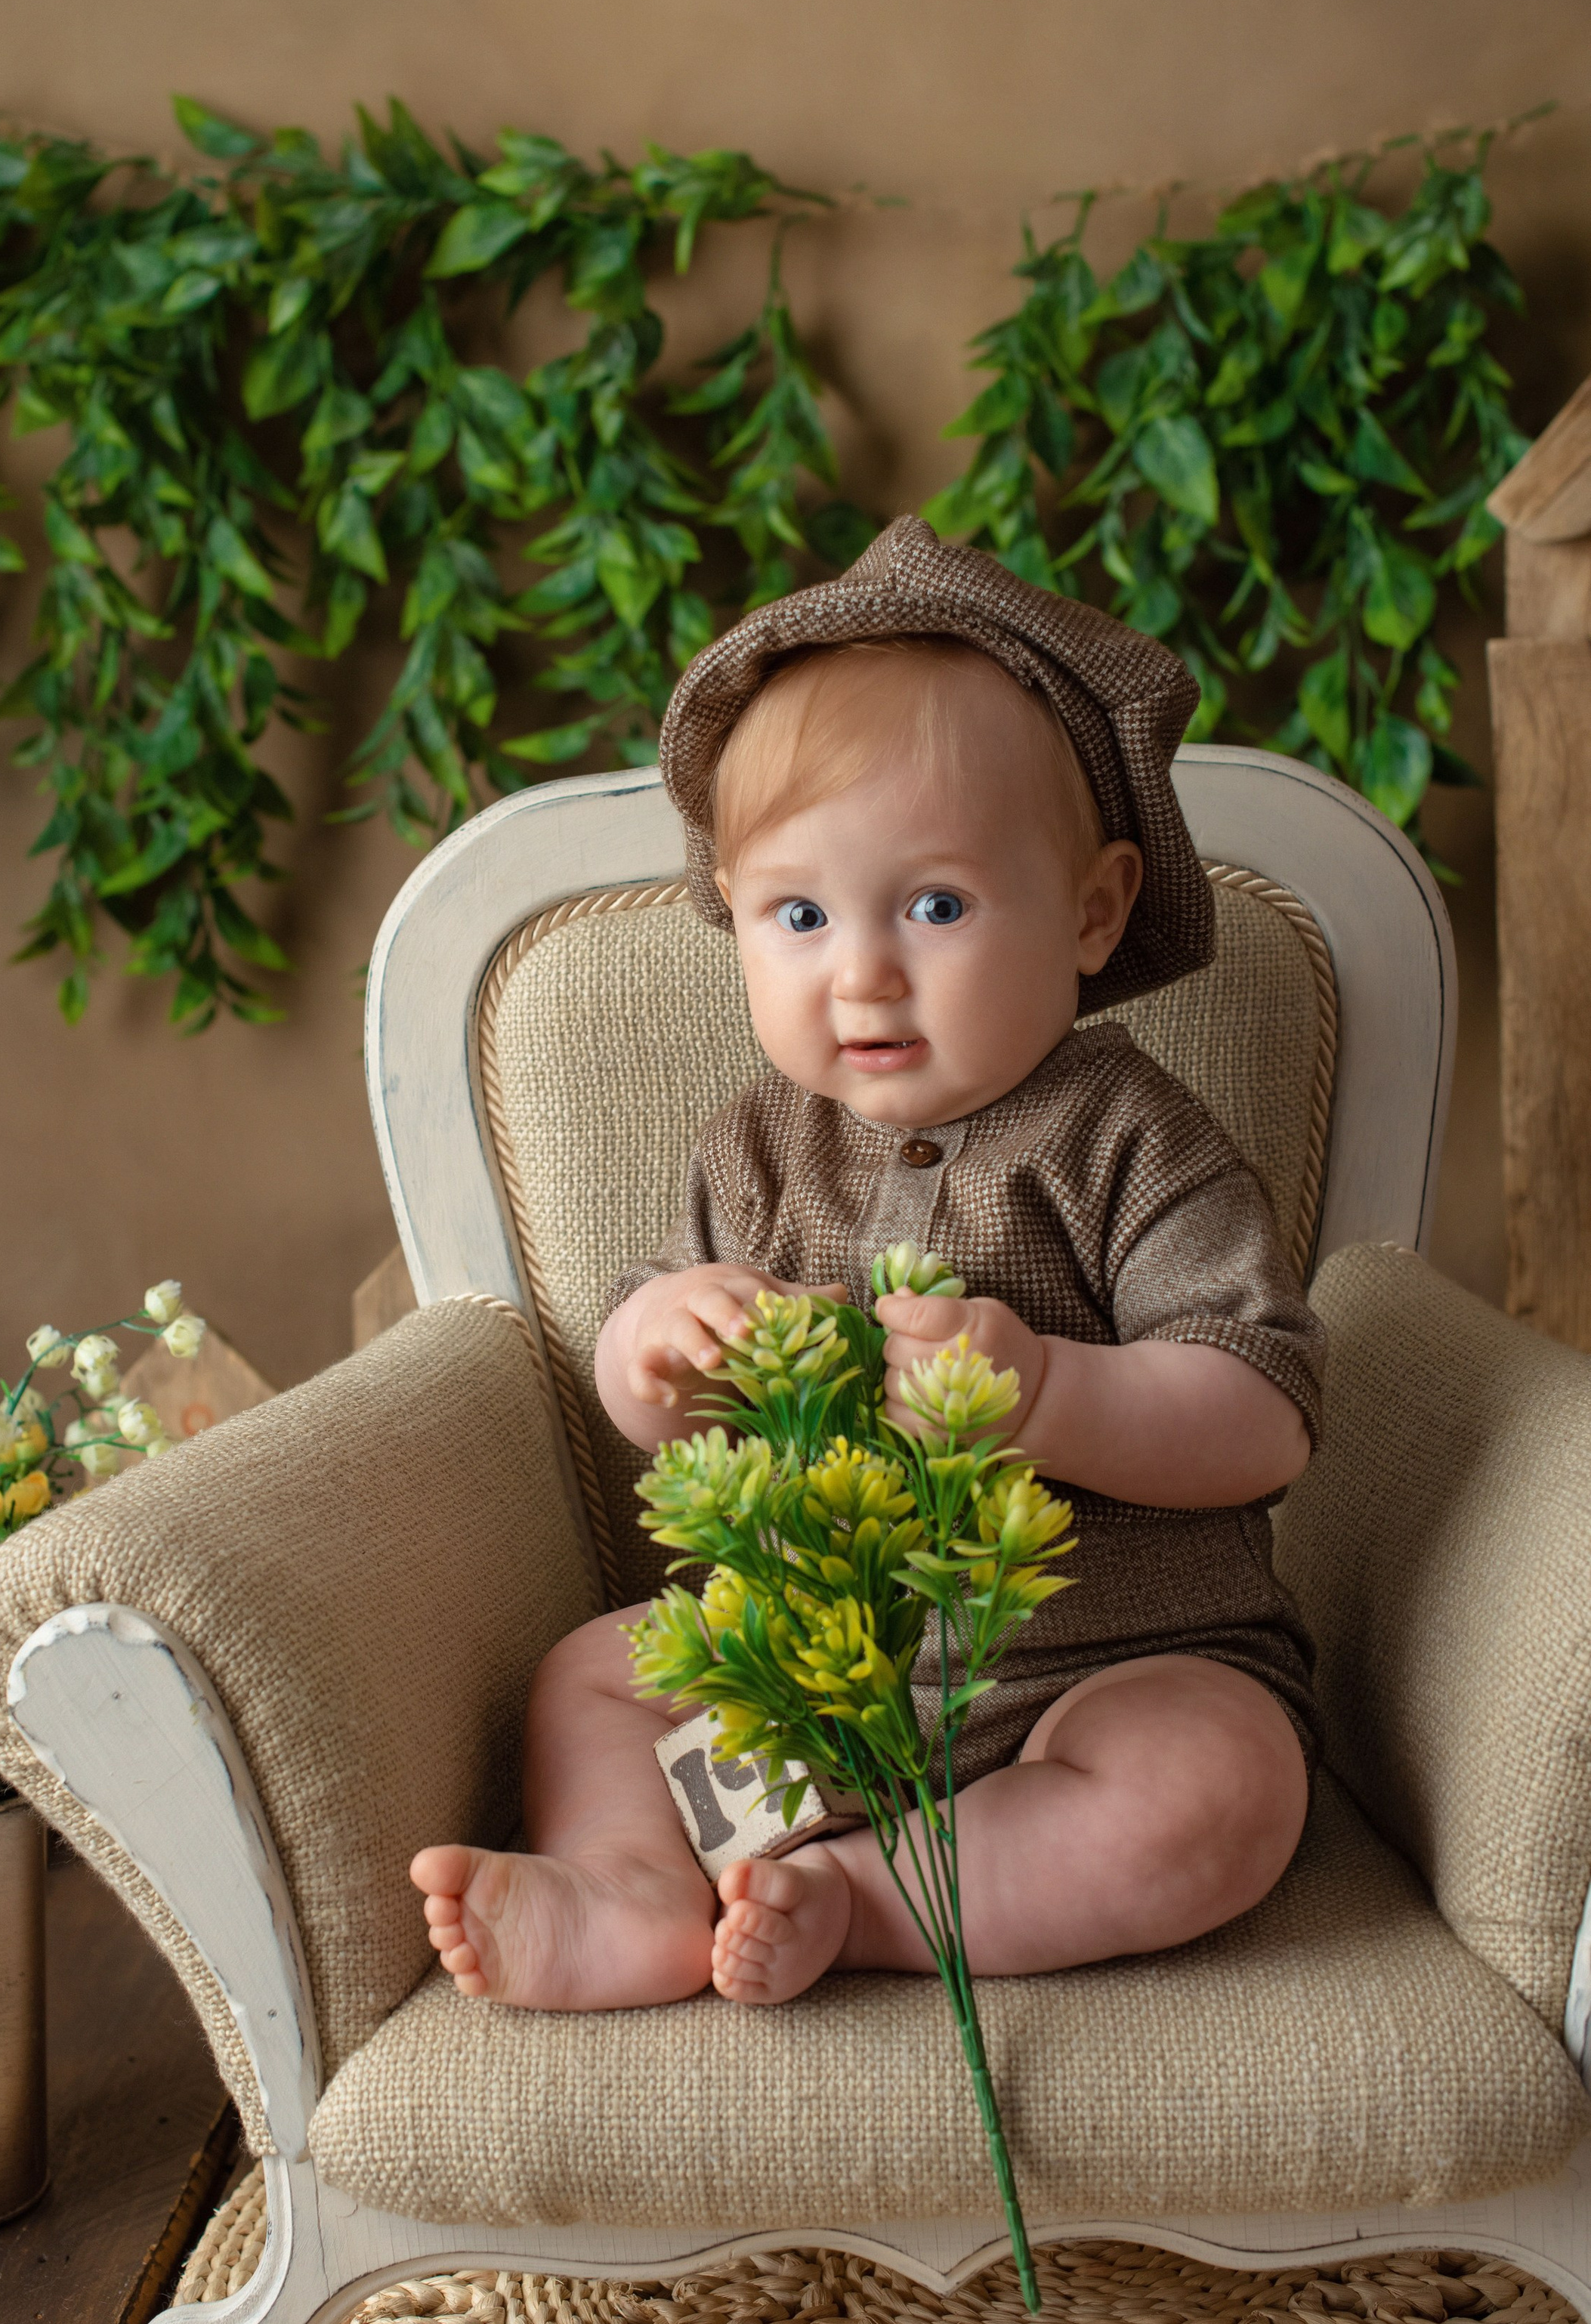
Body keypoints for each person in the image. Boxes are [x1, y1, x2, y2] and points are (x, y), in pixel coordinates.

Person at [412, 518, 1321, 2013]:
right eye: (797, 913)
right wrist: (653, 1342)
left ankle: (854, 1898)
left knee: (1220, 1785)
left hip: (1097, 1671)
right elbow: (659, 1419)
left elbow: (1260, 1417)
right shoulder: (750, 1153)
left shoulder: (1125, 1136)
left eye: (935, 905)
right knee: (593, 1674)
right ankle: (635, 1889)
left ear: (1089, 911)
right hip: (814, 1679)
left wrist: (1046, 1391)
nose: (862, 970)